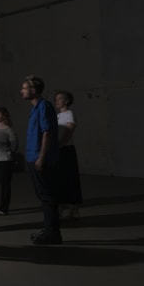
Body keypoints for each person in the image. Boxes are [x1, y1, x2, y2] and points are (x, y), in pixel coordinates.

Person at [20, 75, 62, 244]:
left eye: (24, 88)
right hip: (33, 157)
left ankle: (53, 233)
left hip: (40, 158)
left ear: (33, 90)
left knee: (47, 195)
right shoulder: (36, 107)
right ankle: (48, 230)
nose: (21, 91)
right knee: (43, 195)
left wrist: (41, 157)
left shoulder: (44, 106)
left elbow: (47, 133)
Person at [55, 90, 83, 220]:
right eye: (56, 98)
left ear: (66, 101)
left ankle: (73, 209)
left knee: (69, 178)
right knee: (59, 180)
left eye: (60, 98)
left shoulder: (69, 114)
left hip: (66, 150)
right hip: (58, 149)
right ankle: (61, 209)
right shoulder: (57, 116)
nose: (57, 100)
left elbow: (69, 130)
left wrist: (61, 144)